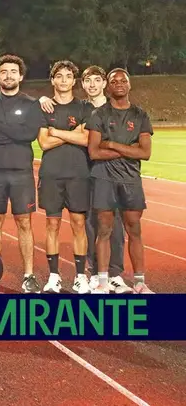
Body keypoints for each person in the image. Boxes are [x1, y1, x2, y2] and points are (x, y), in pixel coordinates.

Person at [42, 66, 128, 292]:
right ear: (82, 84)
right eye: (88, 80)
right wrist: (42, 100)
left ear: (104, 84)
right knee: (89, 223)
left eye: (97, 80)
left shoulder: (115, 108)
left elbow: (88, 139)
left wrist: (56, 132)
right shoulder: (84, 107)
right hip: (85, 172)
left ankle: (115, 274)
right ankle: (94, 272)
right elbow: (54, 136)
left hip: (110, 172)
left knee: (113, 224)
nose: (92, 85)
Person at [0, 54, 42, 293]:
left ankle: (29, 275)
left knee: (24, 222)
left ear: (21, 76)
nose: (8, 75)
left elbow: (29, 134)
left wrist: (0, 127)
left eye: (13, 71)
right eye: (4, 72)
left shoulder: (31, 104)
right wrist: (15, 132)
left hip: (21, 173)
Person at [86, 69, 153, 294]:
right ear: (108, 86)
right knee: (104, 229)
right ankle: (103, 282)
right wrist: (129, 149)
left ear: (129, 84)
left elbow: (145, 153)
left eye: (123, 80)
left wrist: (112, 144)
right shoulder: (99, 114)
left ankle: (140, 282)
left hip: (130, 179)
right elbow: (94, 152)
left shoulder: (140, 115)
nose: (119, 84)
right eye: (113, 81)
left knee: (134, 229)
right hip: (104, 178)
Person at [37, 61, 92, 293]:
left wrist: (57, 132)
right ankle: (54, 276)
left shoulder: (84, 107)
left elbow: (86, 139)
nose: (63, 80)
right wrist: (72, 133)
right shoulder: (44, 107)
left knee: (79, 224)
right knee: (52, 224)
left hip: (78, 174)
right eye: (59, 76)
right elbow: (43, 143)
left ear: (74, 81)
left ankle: (80, 276)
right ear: (52, 80)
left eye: (68, 76)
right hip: (51, 175)